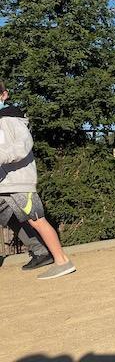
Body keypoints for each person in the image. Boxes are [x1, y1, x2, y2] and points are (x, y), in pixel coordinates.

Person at [0, 82, 76, 278]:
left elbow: (23, 145)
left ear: (4, 95)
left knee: (36, 220)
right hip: (4, 184)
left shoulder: (11, 119)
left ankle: (62, 261)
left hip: (18, 182)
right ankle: (43, 253)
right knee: (13, 218)